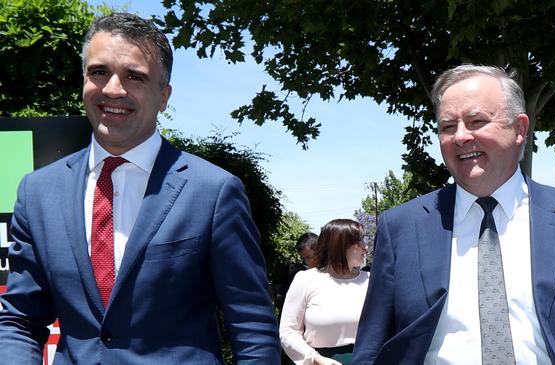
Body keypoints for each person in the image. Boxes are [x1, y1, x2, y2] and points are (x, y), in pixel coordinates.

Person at [0, 13, 280, 364]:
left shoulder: (214, 192)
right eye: (99, 72)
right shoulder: (38, 192)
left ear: (164, 96)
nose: (113, 89)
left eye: (135, 76)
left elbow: (252, 328)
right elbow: (20, 319)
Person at [351, 64, 555, 364]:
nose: (461, 137)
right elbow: (372, 348)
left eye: (476, 121)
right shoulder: (401, 227)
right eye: (447, 127)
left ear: (519, 128)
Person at [280, 219, 369, 365]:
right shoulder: (306, 280)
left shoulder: (373, 281)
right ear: (339, 245)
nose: (365, 247)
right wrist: (315, 358)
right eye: (358, 241)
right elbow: (288, 331)